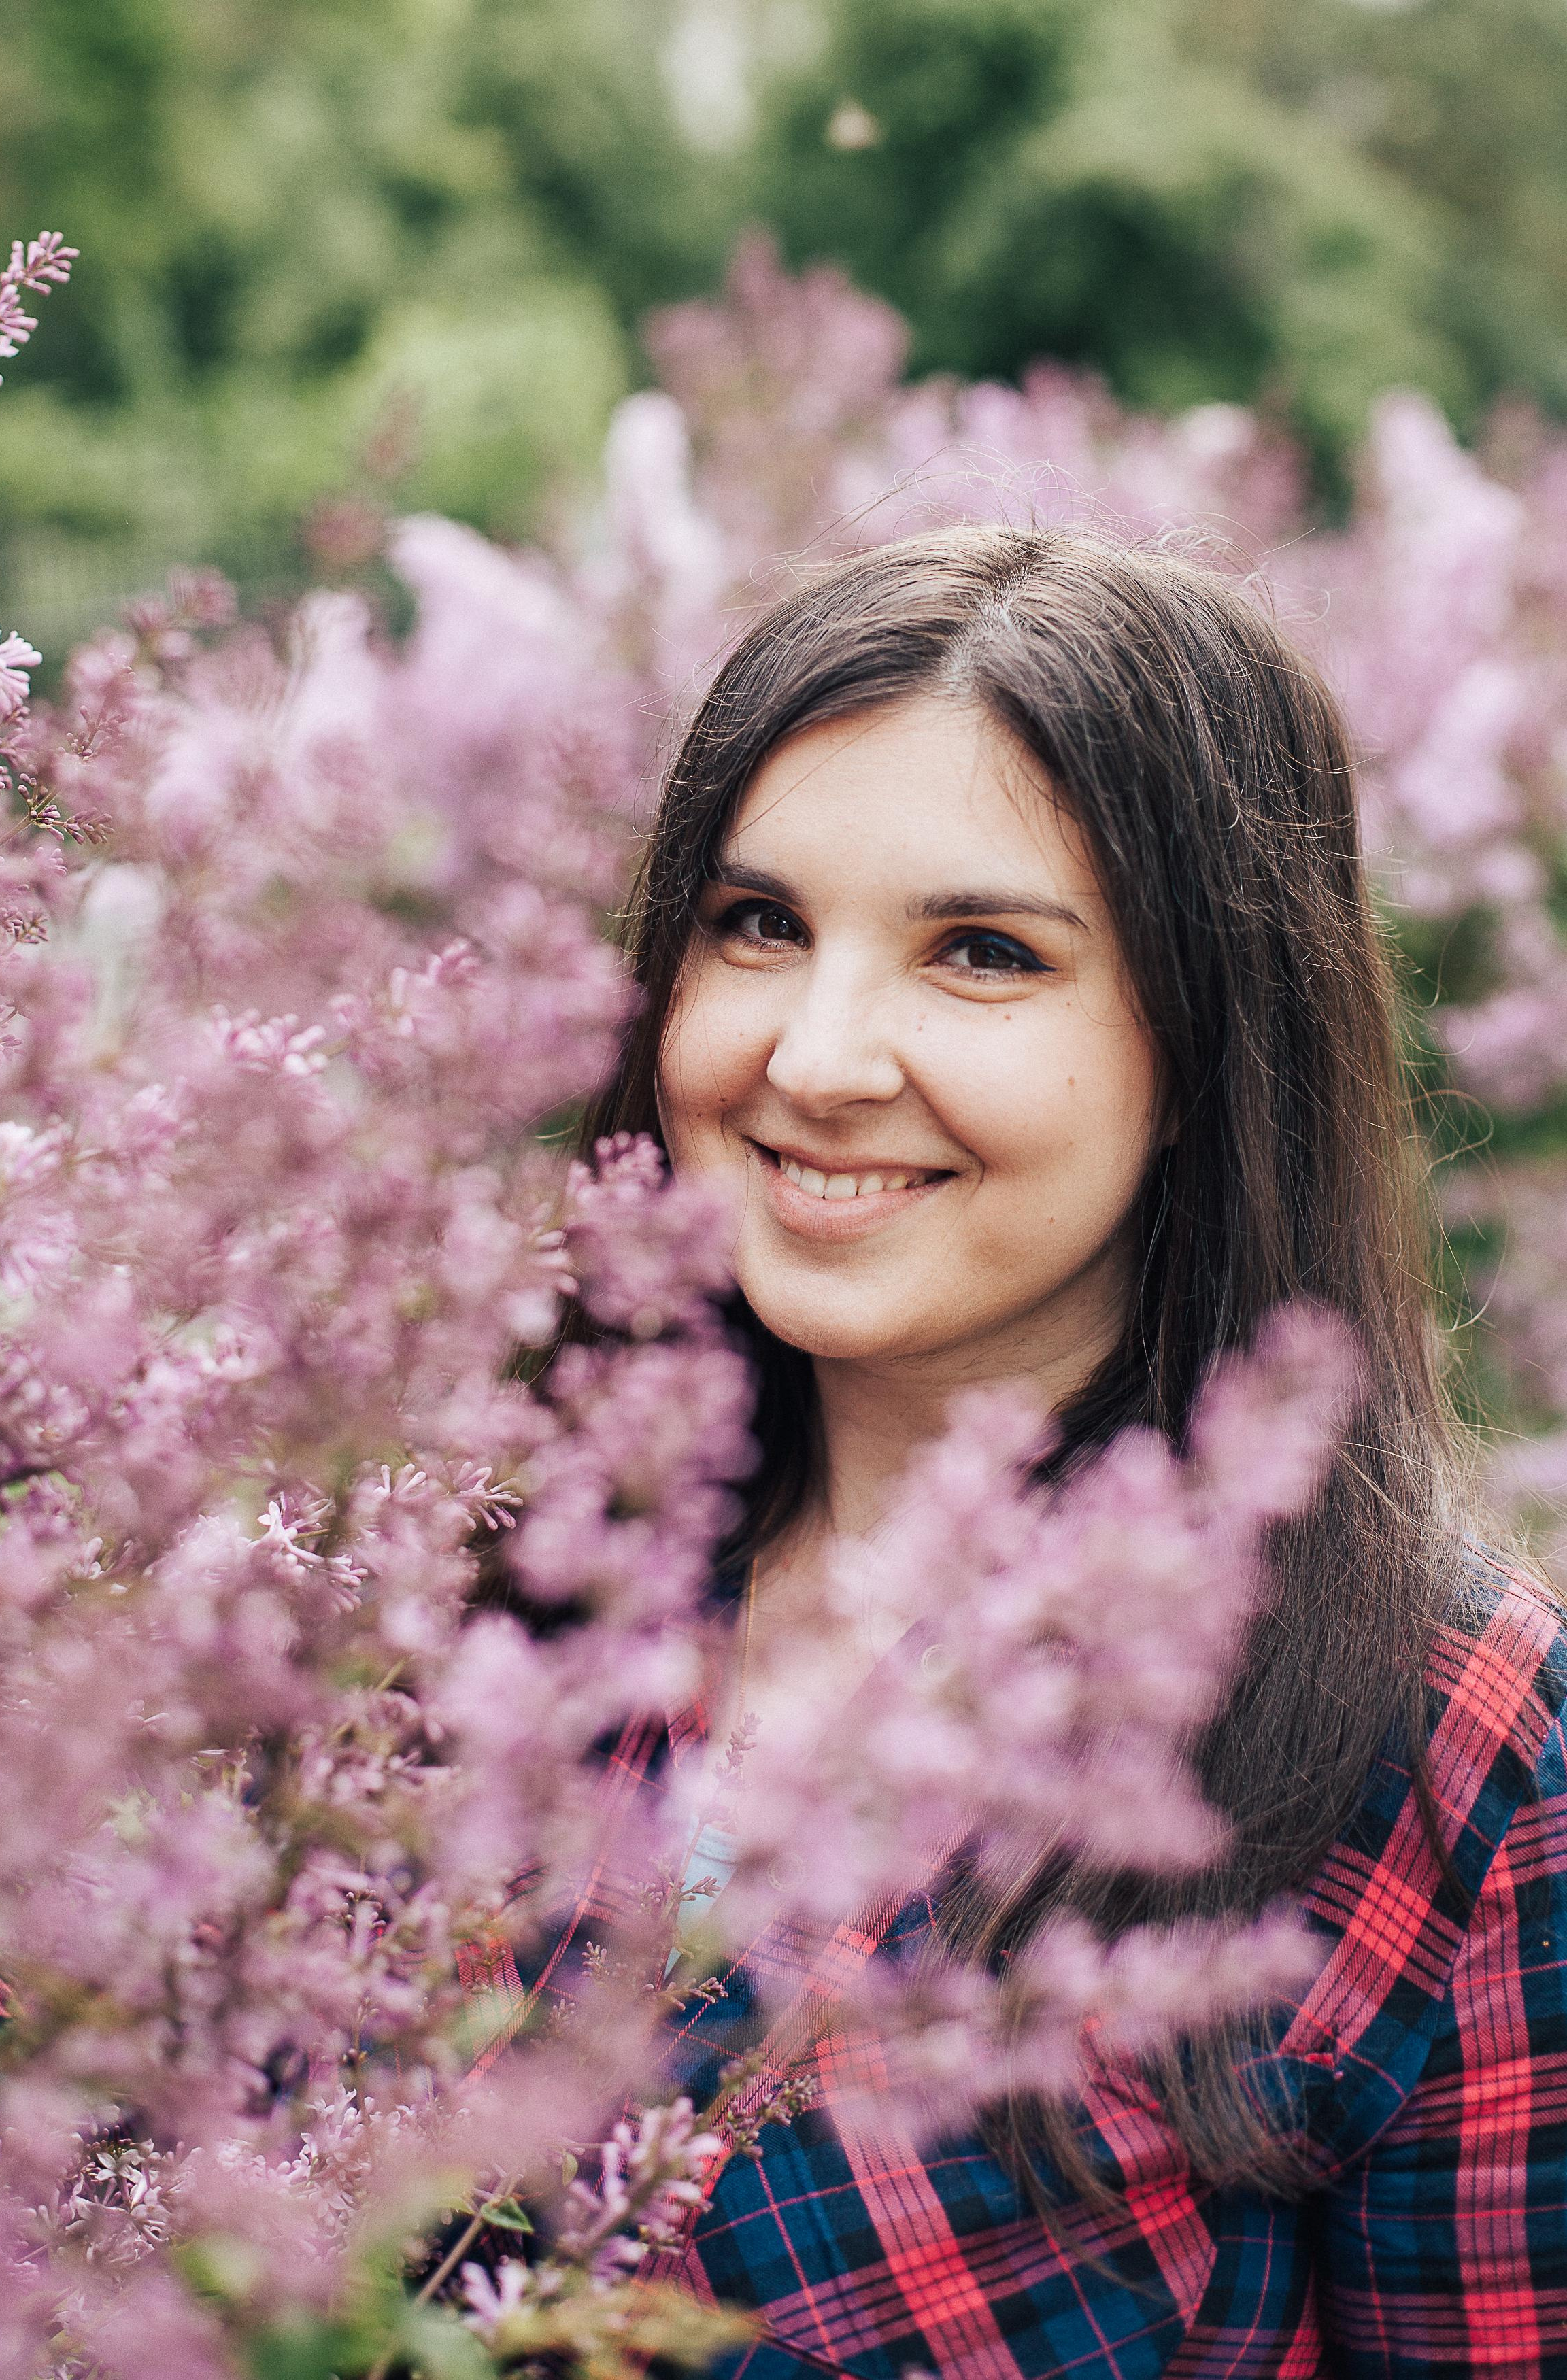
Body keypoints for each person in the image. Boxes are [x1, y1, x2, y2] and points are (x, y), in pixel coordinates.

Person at [579, 528, 1567, 2375]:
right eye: (759, 923)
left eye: (981, 953)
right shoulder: (464, 1559)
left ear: (1204, 1043)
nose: (821, 1057)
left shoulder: (1436, 1732)